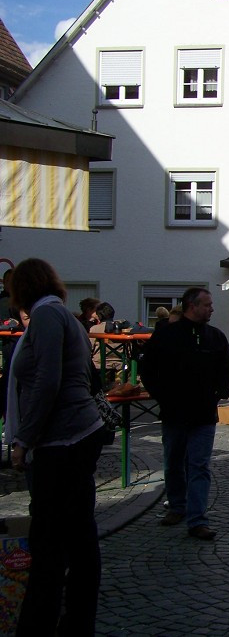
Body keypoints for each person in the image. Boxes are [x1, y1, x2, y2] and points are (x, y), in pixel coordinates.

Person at [7, 258, 107, 635]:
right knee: (78, 535)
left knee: (51, 540)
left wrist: (23, 439)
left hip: (61, 441)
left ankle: (39, 624)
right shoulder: (67, 318)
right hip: (75, 436)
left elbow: (48, 381)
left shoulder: (48, 318)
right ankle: (76, 621)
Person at [140, 288, 229, 541]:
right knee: (173, 463)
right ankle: (177, 507)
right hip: (174, 413)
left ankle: (197, 519)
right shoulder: (167, 335)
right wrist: (161, 395)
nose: (212, 308)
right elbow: (148, 368)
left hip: (203, 414)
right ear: (192, 306)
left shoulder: (214, 337)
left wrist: (219, 392)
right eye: (207, 304)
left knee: (199, 466)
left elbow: (227, 368)